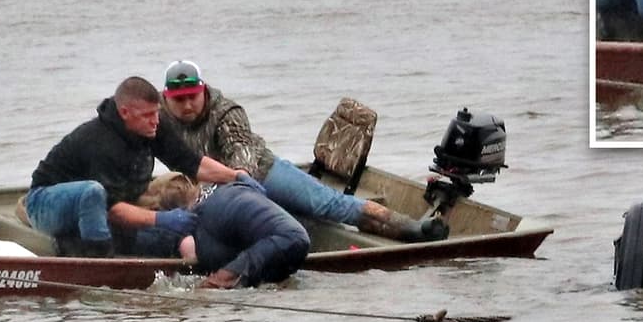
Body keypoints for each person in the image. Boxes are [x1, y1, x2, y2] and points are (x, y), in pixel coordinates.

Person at [28, 76, 309, 288]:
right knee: (93, 194)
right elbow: (112, 208)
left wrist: (236, 175)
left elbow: (192, 163)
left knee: (169, 234)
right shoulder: (100, 143)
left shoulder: (153, 126)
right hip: (48, 203)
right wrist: (162, 220)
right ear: (126, 113)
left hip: (108, 207)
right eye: (147, 116)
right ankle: (96, 264)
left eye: (157, 114)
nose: (155, 122)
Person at [157, 60, 448, 243]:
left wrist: (236, 187)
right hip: (207, 188)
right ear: (166, 97)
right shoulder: (155, 116)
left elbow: (242, 156)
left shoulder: (227, 112)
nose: (186, 106)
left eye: (191, 97)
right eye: (178, 100)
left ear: (203, 90)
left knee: (327, 205)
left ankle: (412, 227)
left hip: (260, 172)